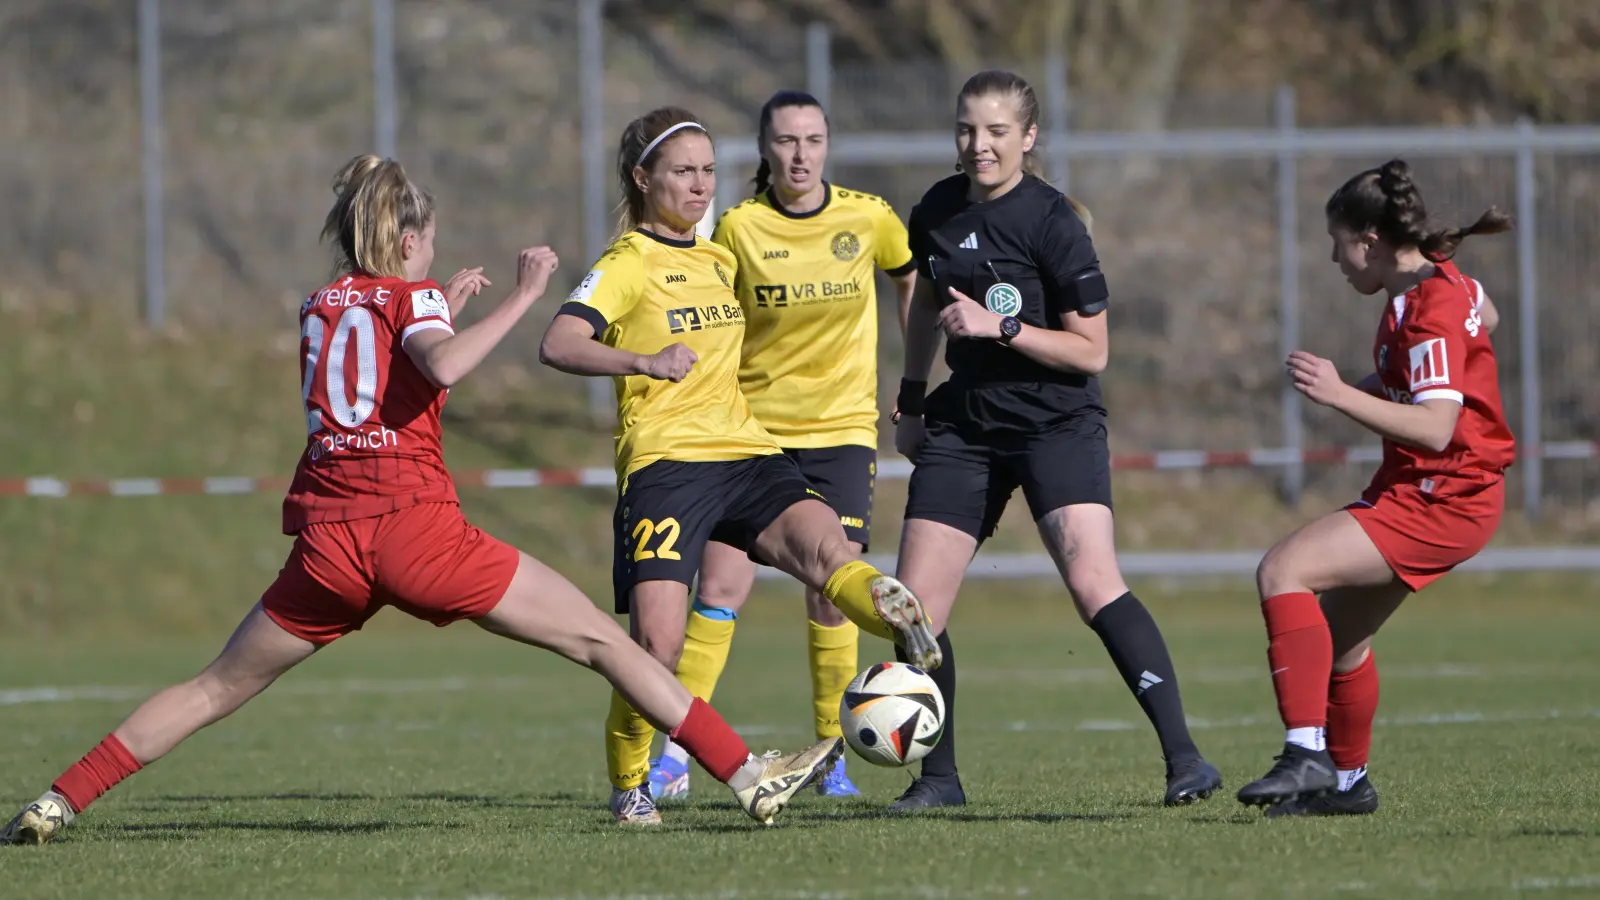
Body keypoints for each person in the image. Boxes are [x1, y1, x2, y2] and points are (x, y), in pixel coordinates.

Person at [0, 155, 844, 845]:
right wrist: (518, 294)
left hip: (328, 544)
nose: (434, 256)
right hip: (415, 534)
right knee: (602, 641)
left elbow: (388, 356)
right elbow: (437, 364)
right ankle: (746, 773)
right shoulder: (416, 298)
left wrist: (446, 307)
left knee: (214, 687)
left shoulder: (320, 304)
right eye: (429, 242)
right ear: (407, 240)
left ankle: (59, 801)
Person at [538, 107, 941, 826]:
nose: (699, 185)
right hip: (667, 465)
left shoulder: (718, 257)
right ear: (643, 178)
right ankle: (630, 781)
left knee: (829, 552)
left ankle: (892, 612)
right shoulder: (627, 262)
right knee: (656, 643)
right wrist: (642, 361)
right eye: (683, 172)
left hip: (747, 450)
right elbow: (561, 341)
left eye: (706, 171)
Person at [888, 70, 1222, 811]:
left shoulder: (1052, 222)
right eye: (969, 130)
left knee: (1093, 584)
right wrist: (911, 398)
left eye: (998, 132)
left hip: (1054, 423)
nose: (980, 145)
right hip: (965, 425)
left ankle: (1185, 759)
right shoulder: (937, 210)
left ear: (1028, 138)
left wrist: (1000, 326)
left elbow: (1092, 352)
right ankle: (938, 780)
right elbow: (924, 311)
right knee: (913, 607)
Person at [645, 90, 920, 802]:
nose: (801, 154)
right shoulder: (738, 228)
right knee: (723, 588)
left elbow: (909, 273)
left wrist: (914, 376)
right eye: (787, 141)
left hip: (840, 435)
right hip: (753, 435)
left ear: (829, 146)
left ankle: (832, 756)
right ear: (765, 150)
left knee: (829, 596)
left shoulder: (869, 216)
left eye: (814, 139)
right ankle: (674, 753)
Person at [1237, 159, 1513, 816]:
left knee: (1284, 570)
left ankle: (1306, 753)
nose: (1336, 261)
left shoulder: (1429, 308)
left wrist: (1338, 395)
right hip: (1433, 491)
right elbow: (1488, 314)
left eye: (1339, 246)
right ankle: (1348, 784)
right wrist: (1373, 387)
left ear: (1371, 238)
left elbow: (1437, 428)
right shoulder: (1437, 286)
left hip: (1443, 495)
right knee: (1337, 639)